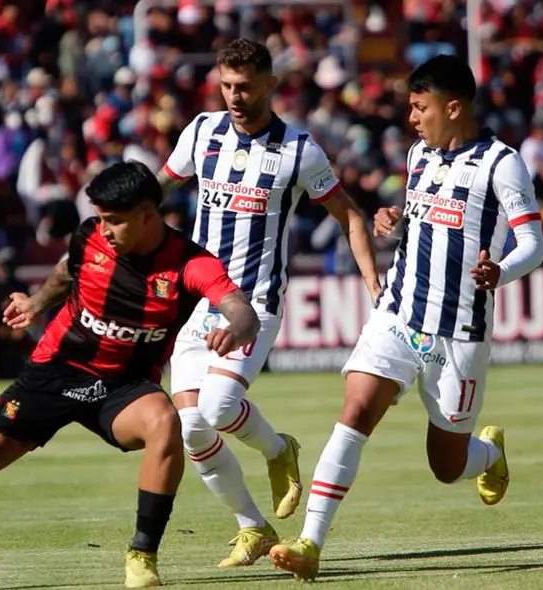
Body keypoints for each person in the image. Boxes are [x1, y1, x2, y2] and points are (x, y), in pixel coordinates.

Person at [0, 161, 262, 589]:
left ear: (147, 213)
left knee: (164, 422)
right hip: (54, 371)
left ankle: (142, 557)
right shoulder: (89, 237)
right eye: (100, 219)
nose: (104, 230)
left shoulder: (189, 263)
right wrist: (35, 304)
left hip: (122, 386)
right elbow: (66, 273)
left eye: (114, 220)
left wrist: (235, 329)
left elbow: (242, 311)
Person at [269, 54, 543, 580]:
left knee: (447, 467)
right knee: (355, 411)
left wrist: (500, 271)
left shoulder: (502, 164)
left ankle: (488, 453)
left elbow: (533, 243)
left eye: (421, 107)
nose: (413, 118)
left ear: (453, 107)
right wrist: (392, 218)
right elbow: (423, 220)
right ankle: (309, 542)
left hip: (459, 332)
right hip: (398, 312)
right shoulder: (419, 154)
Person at [155, 37, 383, 568]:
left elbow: (349, 215)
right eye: (226, 86)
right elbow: (157, 189)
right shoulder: (202, 132)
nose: (234, 97)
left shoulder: (300, 150)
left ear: (269, 84)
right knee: (190, 428)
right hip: (196, 300)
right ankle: (252, 527)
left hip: (254, 302)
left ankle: (280, 450)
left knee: (217, 407)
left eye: (244, 87)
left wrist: (373, 285)